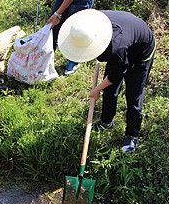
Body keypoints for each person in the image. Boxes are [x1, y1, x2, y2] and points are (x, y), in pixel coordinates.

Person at [58, 9, 155, 153]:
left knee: (133, 95)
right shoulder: (90, 23)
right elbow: (114, 72)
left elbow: (117, 72)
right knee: (109, 89)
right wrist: (101, 87)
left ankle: (132, 135)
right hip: (121, 44)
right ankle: (106, 121)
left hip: (141, 52)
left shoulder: (116, 48)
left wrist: (97, 89)